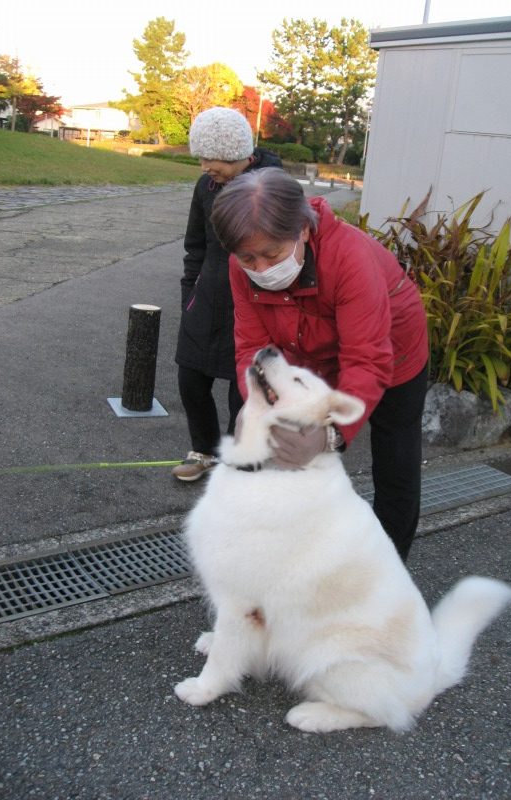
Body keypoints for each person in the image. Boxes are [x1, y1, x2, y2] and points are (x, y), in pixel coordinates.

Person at [210, 168, 429, 561]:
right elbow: (253, 347)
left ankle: (385, 570)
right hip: (308, 352)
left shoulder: (349, 258)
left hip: (391, 352)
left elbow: (366, 360)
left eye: (272, 254)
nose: (260, 269)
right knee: (270, 448)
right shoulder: (239, 266)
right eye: (247, 258)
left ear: (304, 230)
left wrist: (331, 435)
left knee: (395, 461)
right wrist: (258, 404)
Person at [172, 107, 282, 481]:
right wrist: (189, 295)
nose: (205, 167)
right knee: (190, 377)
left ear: (236, 154)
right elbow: (195, 246)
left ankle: (240, 460)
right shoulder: (205, 188)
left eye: (211, 158)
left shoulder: (271, 187)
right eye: (201, 158)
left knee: (244, 390)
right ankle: (203, 450)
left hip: (252, 304)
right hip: (206, 298)